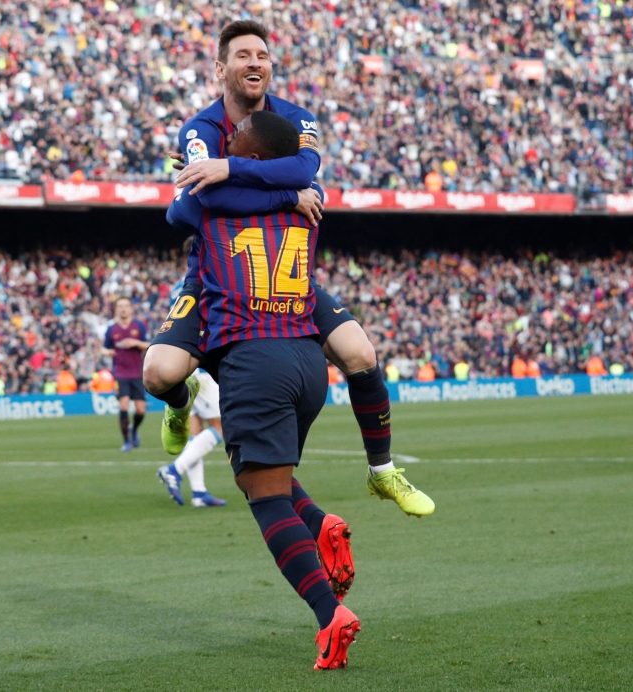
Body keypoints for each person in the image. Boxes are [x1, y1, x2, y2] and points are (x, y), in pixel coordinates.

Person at [143, 19, 431, 519]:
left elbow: (304, 170)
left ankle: (383, 471)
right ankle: (180, 397)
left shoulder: (297, 118)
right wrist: (283, 197)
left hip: (285, 274)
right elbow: (191, 208)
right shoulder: (200, 129)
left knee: (360, 352)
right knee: (157, 373)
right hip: (216, 279)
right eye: (243, 55)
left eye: (262, 55)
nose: (255, 62)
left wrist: (229, 170)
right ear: (220, 68)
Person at [167, 108, 360, 670]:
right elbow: (300, 169)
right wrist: (282, 192)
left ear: (248, 158)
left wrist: (217, 172)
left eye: (240, 147)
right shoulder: (307, 201)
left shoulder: (213, 200)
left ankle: (330, 615)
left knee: (267, 498)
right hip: (307, 357)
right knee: (264, 475)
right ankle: (322, 522)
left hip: (255, 356)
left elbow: (177, 210)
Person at [156, 367, 228, 508]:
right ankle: (174, 470)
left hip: (186, 374)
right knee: (220, 426)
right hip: (201, 374)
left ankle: (199, 492)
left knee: (195, 432)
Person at [101, 297, 150, 452]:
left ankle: (133, 429)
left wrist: (135, 343)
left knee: (140, 410)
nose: (123, 309)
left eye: (126, 306)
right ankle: (126, 441)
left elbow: (149, 345)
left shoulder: (139, 326)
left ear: (131, 309)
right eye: (120, 306)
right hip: (120, 372)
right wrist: (107, 352)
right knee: (123, 405)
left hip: (137, 372)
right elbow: (103, 348)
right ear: (116, 309)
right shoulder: (112, 329)